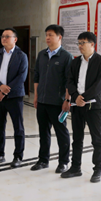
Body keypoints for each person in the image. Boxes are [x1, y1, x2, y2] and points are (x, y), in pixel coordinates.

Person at [62, 32, 101, 183]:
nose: (80, 46)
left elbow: (99, 85)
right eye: (79, 43)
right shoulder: (75, 62)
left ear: (92, 44)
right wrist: (76, 97)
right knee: (77, 138)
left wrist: (84, 98)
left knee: (96, 138)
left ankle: (98, 169)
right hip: (77, 105)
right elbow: (69, 81)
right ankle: (75, 167)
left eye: (83, 43)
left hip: (93, 106)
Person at [31, 24, 73, 173]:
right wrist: (36, 96)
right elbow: (37, 76)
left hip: (57, 103)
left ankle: (63, 162)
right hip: (42, 101)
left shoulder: (66, 57)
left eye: (51, 35)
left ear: (59, 37)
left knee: (61, 133)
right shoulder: (42, 54)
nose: (47, 38)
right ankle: (43, 160)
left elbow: (69, 81)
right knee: (43, 133)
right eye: (46, 35)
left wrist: (67, 100)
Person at [0, 28, 28, 168]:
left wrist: (4, 91)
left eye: (7, 36)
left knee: (18, 127)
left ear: (15, 39)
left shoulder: (21, 56)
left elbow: (21, 77)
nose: (4, 38)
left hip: (14, 96)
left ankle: (18, 157)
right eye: (2, 36)